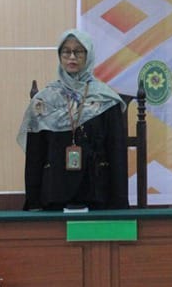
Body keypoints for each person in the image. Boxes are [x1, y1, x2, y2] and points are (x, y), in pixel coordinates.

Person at [17, 29, 128, 210]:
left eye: (78, 51)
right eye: (66, 51)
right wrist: (33, 203)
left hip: (97, 194)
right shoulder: (44, 101)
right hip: (53, 195)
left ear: (88, 55)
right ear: (59, 56)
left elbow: (117, 155)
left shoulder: (106, 99)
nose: (72, 57)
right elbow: (35, 157)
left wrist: (119, 204)